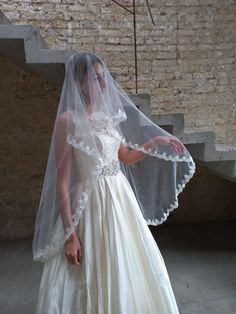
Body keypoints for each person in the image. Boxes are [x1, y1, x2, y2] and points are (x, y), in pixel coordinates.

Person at [33, 52, 195, 313]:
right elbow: (62, 182)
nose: (104, 85)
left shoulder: (107, 117)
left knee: (125, 262)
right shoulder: (68, 122)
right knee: (88, 270)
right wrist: (69, 235)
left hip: (119, 199)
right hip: (89, 203)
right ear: (79, 83)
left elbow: (126, 157)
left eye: (104, 78)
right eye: (96, 79)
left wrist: (155, 143)